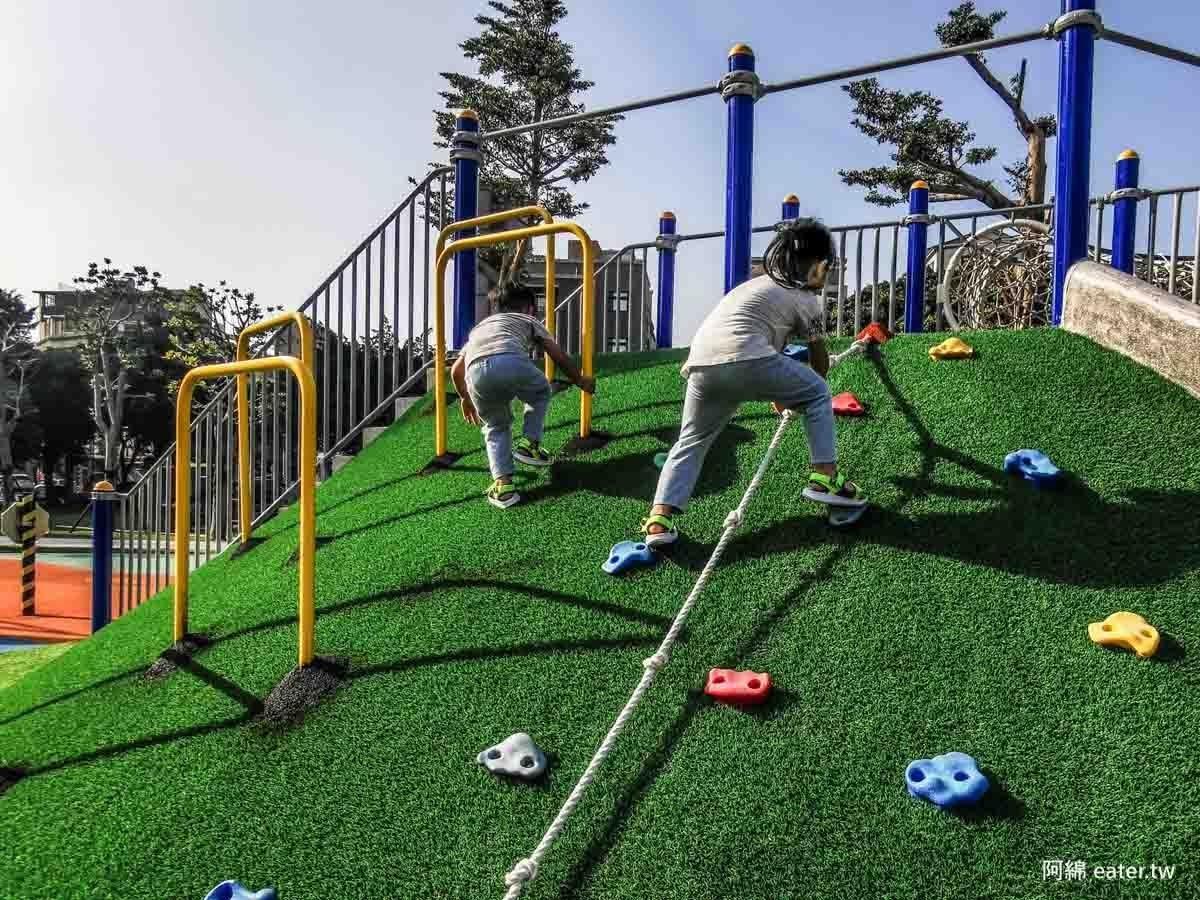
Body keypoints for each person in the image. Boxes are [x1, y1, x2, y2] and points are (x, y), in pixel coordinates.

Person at [640, 217, 865, 546]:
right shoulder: (805, 299)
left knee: (691, 440)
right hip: (747, 358)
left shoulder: (752, 286)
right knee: (818, 393)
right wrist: (801, 394)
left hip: (702, 363)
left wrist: (781, 392)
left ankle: (659, 519)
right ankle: (826, 476)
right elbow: (818, 362)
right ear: (818, 266)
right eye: (827, 268)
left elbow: (759, 343)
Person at [450, 283, 596, 508]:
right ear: (529, 308)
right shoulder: (528, 320)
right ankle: (530, 444)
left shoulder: (479, 329)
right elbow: (556, 354)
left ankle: (503, 486)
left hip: (475, 373)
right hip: (510, 360)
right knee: (540, 391)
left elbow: (455, 370)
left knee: (495, 426)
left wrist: (465, 398)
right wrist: (579, 380)